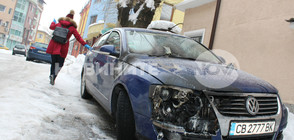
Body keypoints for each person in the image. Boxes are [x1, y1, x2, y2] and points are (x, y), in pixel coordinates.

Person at [46, 10, 92, 85]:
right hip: (62, 48)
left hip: (54, 46)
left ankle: (51, 75)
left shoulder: (58, 24)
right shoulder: (72, 28)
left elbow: (51, 27)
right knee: (59, 64)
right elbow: (78, 37)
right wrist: (85, 45)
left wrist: (53, 22)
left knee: (53, 63)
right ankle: (54, 76)